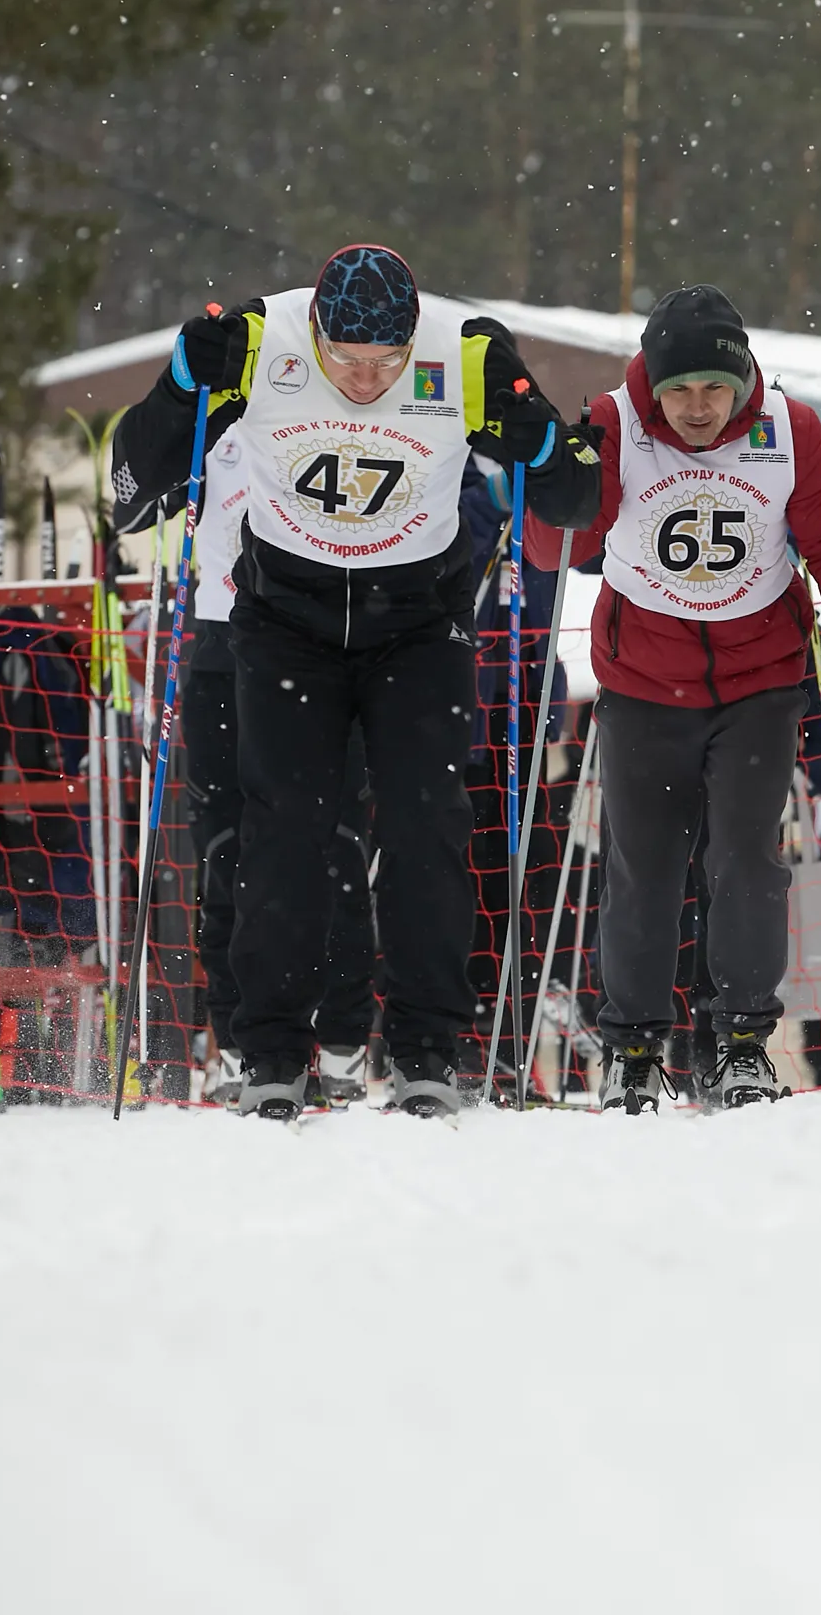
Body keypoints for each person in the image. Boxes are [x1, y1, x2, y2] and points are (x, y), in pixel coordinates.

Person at [114, 246, 601, 1117]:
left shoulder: (469, 353)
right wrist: (179, 386)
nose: (369, 380)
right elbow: (129, 488)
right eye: (348, 362)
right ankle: (271, 1054)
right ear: (316, 334)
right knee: (283, 837)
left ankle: (425, 1053)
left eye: (388, 362)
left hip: (416, 623)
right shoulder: (262, 341)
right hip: (287, 624)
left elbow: (570, 503)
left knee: (426, 831)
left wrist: (544, 441)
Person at [544, 285, 821, 1112]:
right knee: (641, 870)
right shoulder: (615, 422)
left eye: (714, 389)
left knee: (745, 859)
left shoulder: (789, 429)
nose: (698, 409)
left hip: (760, 681)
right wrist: (564, 480)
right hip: (642, 682)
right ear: (651, 388)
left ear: (743, 384)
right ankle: (630, 1045)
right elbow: (564, 543)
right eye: (679, 391)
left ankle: (739, 1040)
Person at [110, 411, 380, 1107]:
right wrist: (178, 403)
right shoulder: (215, 418)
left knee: (337, 850)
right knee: (230, 857)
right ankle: (237, 1042)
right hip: (223, 653)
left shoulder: (338, 413)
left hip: (324, 653)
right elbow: (130, 500)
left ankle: (343, 1039)